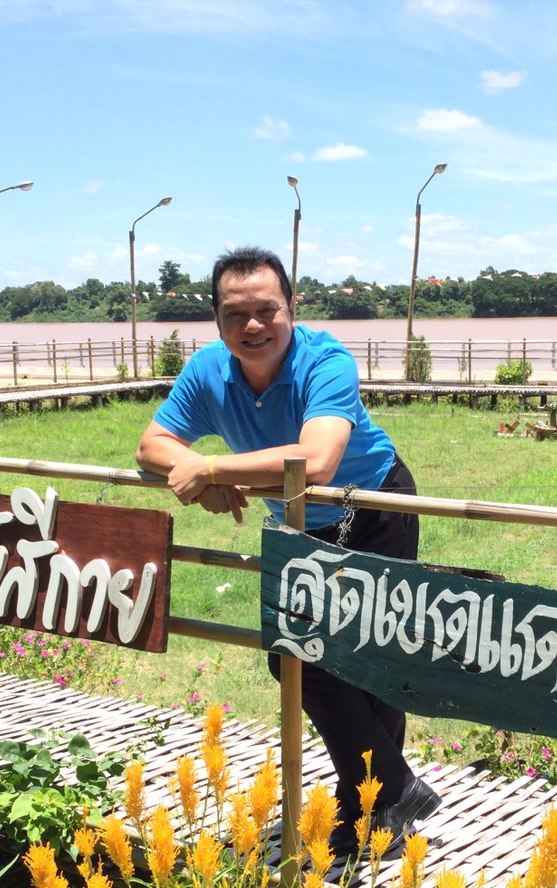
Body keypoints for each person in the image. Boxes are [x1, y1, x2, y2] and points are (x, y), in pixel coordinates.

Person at [135, 246, 440, 856]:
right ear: (217, 321)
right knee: (296, 658)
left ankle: (372, 807)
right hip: (300, 520)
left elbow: (316, 461)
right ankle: (393, 791)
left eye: (266, 310)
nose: (252, 326)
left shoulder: (326, 360)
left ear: (291, 308)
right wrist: (206, 473)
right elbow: (150, 448)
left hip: (375, 506)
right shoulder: (207, 372)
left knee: (372, 658)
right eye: (234, 314)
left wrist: (215, 469)